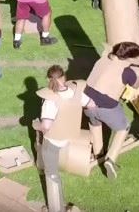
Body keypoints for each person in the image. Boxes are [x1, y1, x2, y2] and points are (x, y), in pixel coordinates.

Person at [33, 65, 94, 212]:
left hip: (52, 142)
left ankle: (56, 209)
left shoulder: (50, 100)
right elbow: (92, 105)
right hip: (69, 138)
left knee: (52, 175)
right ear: (64, 77)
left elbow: (46, 126)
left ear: (49, 79)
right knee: (56, 171)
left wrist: (36, 125)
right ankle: (60, 206)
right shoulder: (76, 93)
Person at [84, 42, 139, 179]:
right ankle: (110, 159)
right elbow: (136, 85)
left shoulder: (103, 59)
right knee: (124, 127)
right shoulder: (127, 72)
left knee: (95, 123)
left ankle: (98, 153)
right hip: (104, 106)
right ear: (129, 58)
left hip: (86, 102)